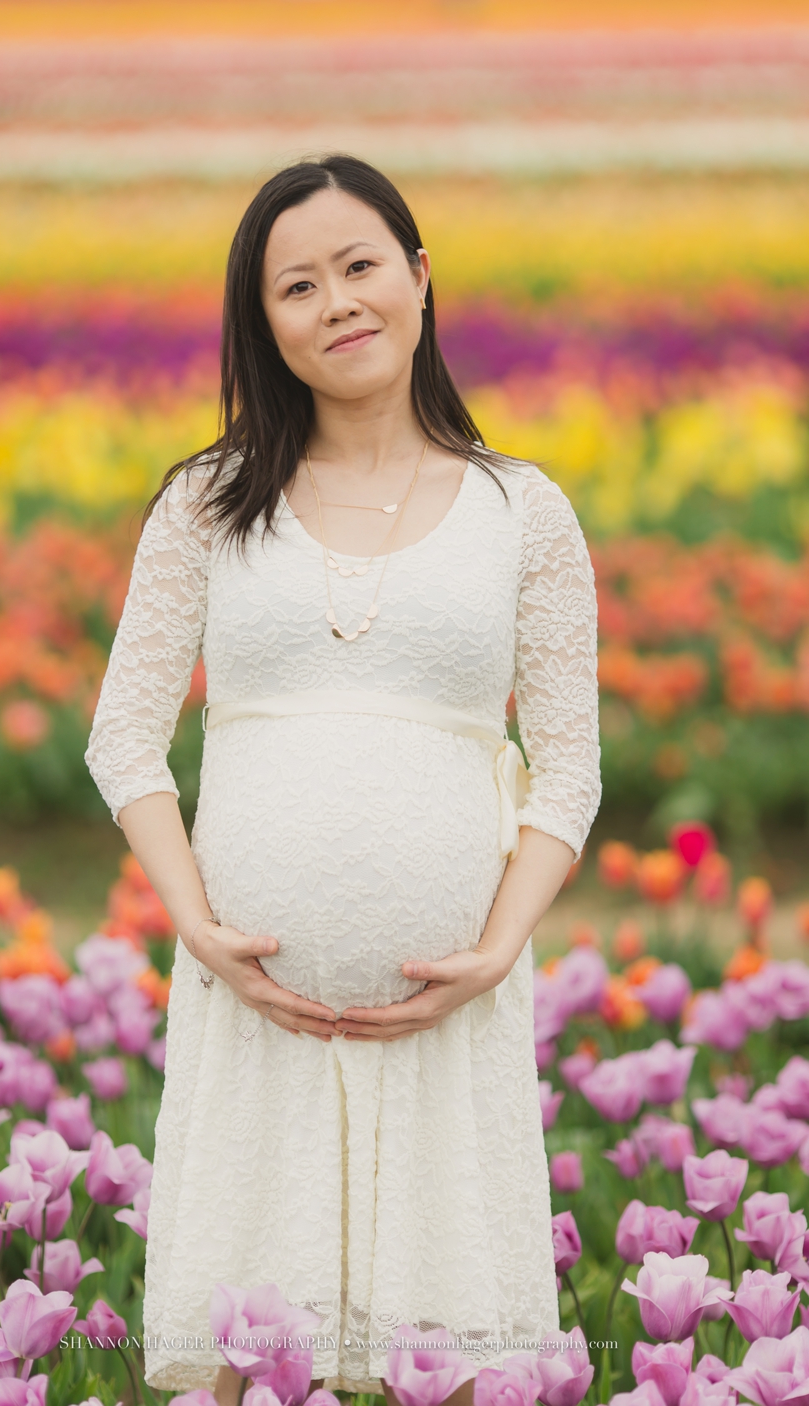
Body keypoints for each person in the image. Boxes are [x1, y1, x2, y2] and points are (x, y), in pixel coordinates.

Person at [85, 153, 601, 1403]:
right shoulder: (208, 503)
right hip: (252, 1013)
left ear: (419, 276)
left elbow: (570, 770)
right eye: (297, 285)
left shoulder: (521, 511)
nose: (338, 303)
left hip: (450, 1019)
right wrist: (198, 926)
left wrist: (494, 951)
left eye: (359, 266)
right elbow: (124, 738)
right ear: (264, 323)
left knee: (453, 1364)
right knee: (244, 1363)